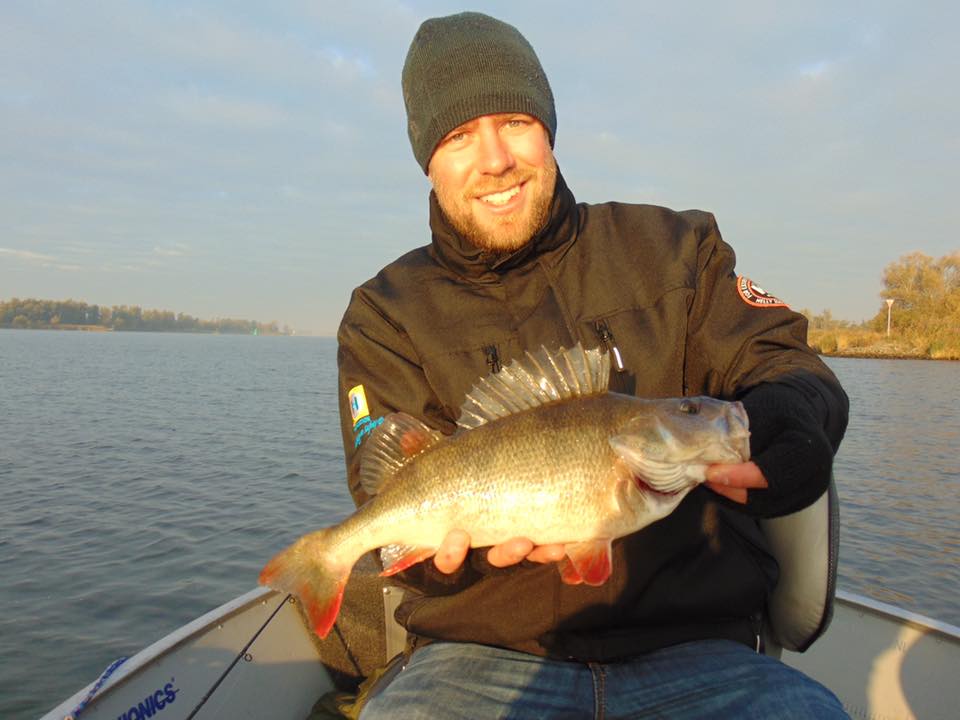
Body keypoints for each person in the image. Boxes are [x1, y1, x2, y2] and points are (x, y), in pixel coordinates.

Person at [336, 11, 849, 719]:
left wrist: (793, 414)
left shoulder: (677, 250)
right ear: (427, 157)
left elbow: (783, 361)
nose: (493, 159)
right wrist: (444, 553)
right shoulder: (384, 313)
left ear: (548, 126)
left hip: (702, 652)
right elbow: (387, 492)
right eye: (457, 136)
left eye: (514, 121)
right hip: (474, 660)